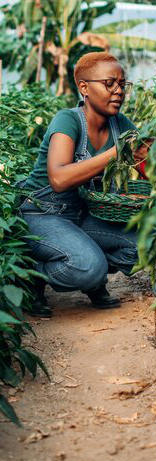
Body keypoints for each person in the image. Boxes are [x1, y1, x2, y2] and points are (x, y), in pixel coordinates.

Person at [19, 52, 141, 317]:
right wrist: (116, 152)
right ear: (84, 87)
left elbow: (145, 158)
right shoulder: (68, 120)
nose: (118, 90)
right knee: (87, 266)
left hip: (84, 215)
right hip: (43, 213)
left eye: (122, 84)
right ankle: (31, 276)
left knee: (145, 245)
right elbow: (59, 178)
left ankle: (90, 271)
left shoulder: (120, 124)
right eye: (109, 83)